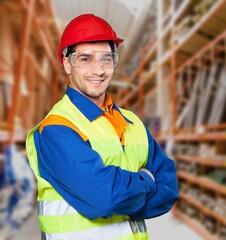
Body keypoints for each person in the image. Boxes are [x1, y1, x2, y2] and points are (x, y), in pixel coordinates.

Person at [26, 14, 179, 240]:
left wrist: (121, 197)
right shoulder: (56, 129)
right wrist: (146, 180)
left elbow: (169, 188)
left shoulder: (132, 122)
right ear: (68, 64)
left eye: (106, 59)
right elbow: (105, 198)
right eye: (86, 59)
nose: (98, 70)